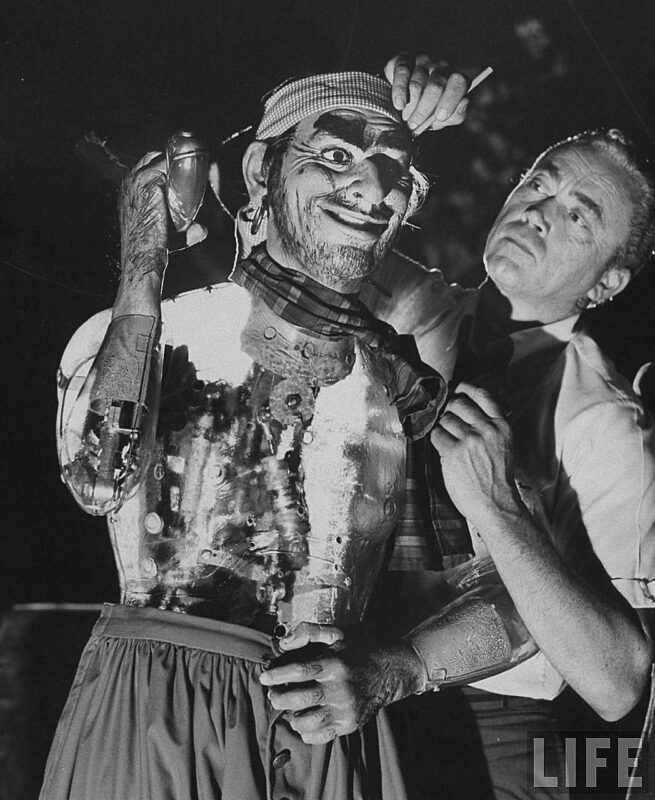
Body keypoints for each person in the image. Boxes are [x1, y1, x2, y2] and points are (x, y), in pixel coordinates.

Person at [42, 64, 488, 800]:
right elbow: (97, 479)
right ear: (259, 171)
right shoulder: (157, 332)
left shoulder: (401, 391)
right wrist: (143, 263)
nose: (375, 187)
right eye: (335, 154)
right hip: (153, 714)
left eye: (396, 169)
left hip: (322, 732)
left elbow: (508, 593)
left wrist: (395, 670)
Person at [262, 65, 655, 797]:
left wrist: (499, 508)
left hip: (486, 737)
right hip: (342, 694)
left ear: (607, 282)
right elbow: (285, 228)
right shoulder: (420, 309)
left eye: (579, 216)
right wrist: (392, 124)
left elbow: (618, 683)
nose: (538, 213)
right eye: (538, 184)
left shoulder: (603, 424)